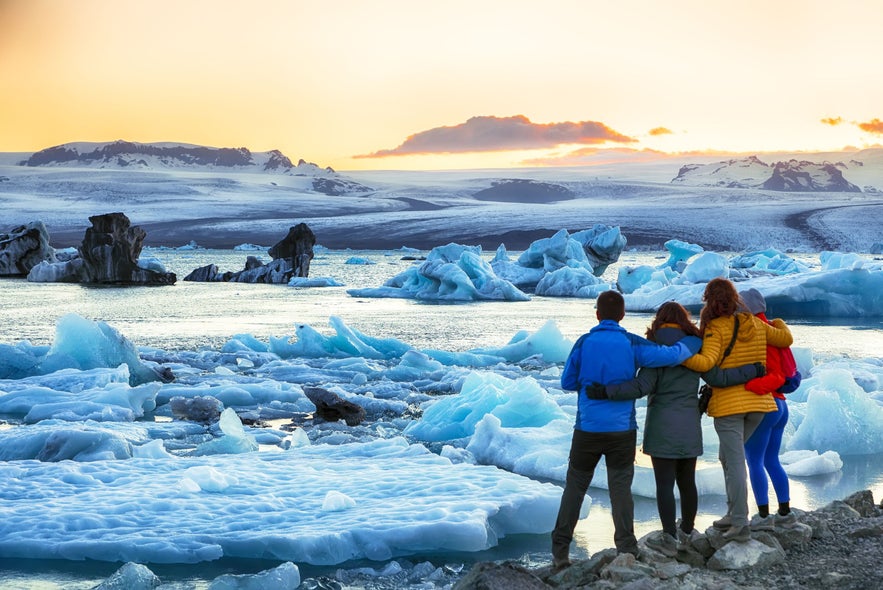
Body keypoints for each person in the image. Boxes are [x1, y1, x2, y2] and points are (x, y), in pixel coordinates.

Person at [593, 301, 762, 557]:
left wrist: (606, 391)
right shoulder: (694, 349)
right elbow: (719, 378)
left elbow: (641, 387)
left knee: (664, 485)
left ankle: (669, 538)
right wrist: (753, 369)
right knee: (687, 482)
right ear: (684, 320)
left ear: (659, 321)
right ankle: (687, 532)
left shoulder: (655, 351)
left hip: (661, 426)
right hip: (689, 425)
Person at [551, 290, 702, 569]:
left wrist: (590, 382)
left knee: (574, 488)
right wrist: (694, 341)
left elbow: (567, 382)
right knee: (620, 491)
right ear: (622, 315)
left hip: (587, 429)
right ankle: (627, 549)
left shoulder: (583, 343)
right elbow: (670, 356)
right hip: (621, 431)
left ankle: (560, 552)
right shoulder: (632, 343)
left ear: (597, 314)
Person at [680, 278, 793, 542]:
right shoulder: (755, 323)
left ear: (710, 300)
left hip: (730, 407)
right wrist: (776, 322)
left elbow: (707, 362)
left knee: (734, 462)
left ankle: (740, 523)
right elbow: (785, 338)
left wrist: (679, 355)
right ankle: (733, 513)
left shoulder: (715, 328)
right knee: (726, 458)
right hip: (759, 406)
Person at [737, 288, 796, 529]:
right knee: (772, 459)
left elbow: (774, 374)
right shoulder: (776, 330)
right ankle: (784, 511)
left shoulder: (758, 334)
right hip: (781, 405)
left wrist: (748, 384)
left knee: (755, 461)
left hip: (766, 404)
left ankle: (762, 516)